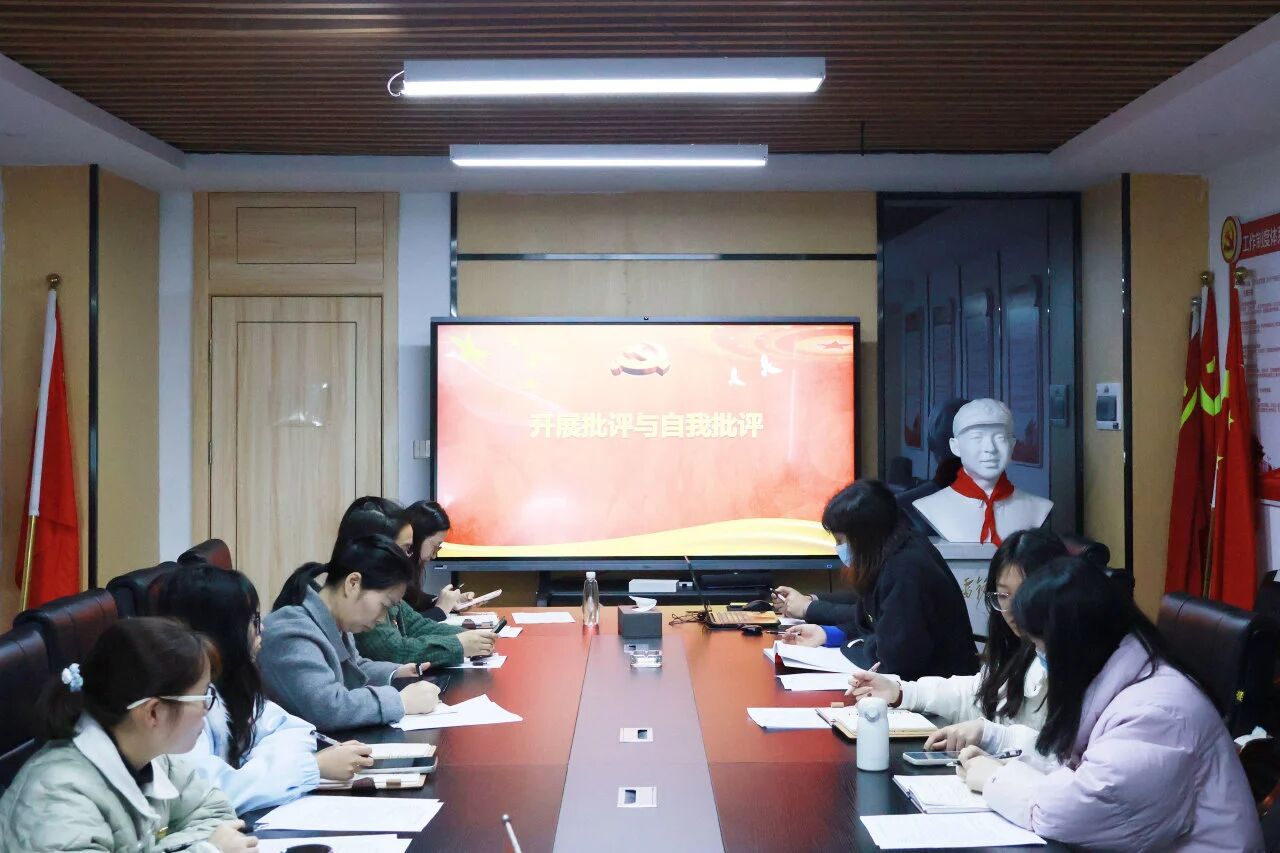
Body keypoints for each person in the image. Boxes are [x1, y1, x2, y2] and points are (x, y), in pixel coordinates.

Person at [955, 557, 1264, 852]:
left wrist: (996, 779)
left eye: (1040, 647)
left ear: (1073, 645)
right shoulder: (1124, 679)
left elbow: (1082, 810)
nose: (1039, 658)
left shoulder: (1158, 713)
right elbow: (1078, 767)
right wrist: (1001, 756)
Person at [0, 617, 255, 852]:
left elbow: (216, 813)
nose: (207, 710)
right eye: (202, 696)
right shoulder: (58, 799)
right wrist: (207, 849)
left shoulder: (149, 756)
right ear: (154, 712)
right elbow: (217, 839)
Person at [158, 563, 374, 812]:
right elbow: (213, 794)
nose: (262, 628)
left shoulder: (228, 684)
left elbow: (293, 728)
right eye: (253, 620)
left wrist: (260, 770)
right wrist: (311, 767)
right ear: (224, 630)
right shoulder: (181, 704)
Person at [844, 529, 1066, 744]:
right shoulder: (1016, 648)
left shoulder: (1070, 659)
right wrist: (900, 692)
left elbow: (1065, 752)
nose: (1012, 609)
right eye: (1003, 595)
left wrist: (994, 737)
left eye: (1025, 594)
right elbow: (975, 694)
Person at [779, 479, 978, 680]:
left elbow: (894, 658)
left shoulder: (905, 569)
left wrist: (850, 645)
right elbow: (874, 617)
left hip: (937, 688)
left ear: (864, 536)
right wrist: (831, 634)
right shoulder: (894, 550)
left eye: (840, 540)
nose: (839, 548)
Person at [259, 534, 442, 729]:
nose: (382, 618)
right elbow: (328, 707)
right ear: (353, 583)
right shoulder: (292, 633)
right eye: (384, 605)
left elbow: (353, 667)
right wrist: (400, 701)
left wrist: (396, 672)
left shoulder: (335, 622)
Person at [338, 508, 497, 667]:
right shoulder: (363, 595)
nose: (408, 556)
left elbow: (416, 625)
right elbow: (394, 651)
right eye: (405, 549)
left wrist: (472, 638)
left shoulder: (381, 586)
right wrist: (459, 644)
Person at [400, 499, 474, 618]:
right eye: (435, 546)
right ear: (417, 537)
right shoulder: (394, 569)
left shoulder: (409, 568)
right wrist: (440, 610)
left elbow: (413, 602)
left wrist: (447, 602)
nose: (434, 555)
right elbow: (405, 624)